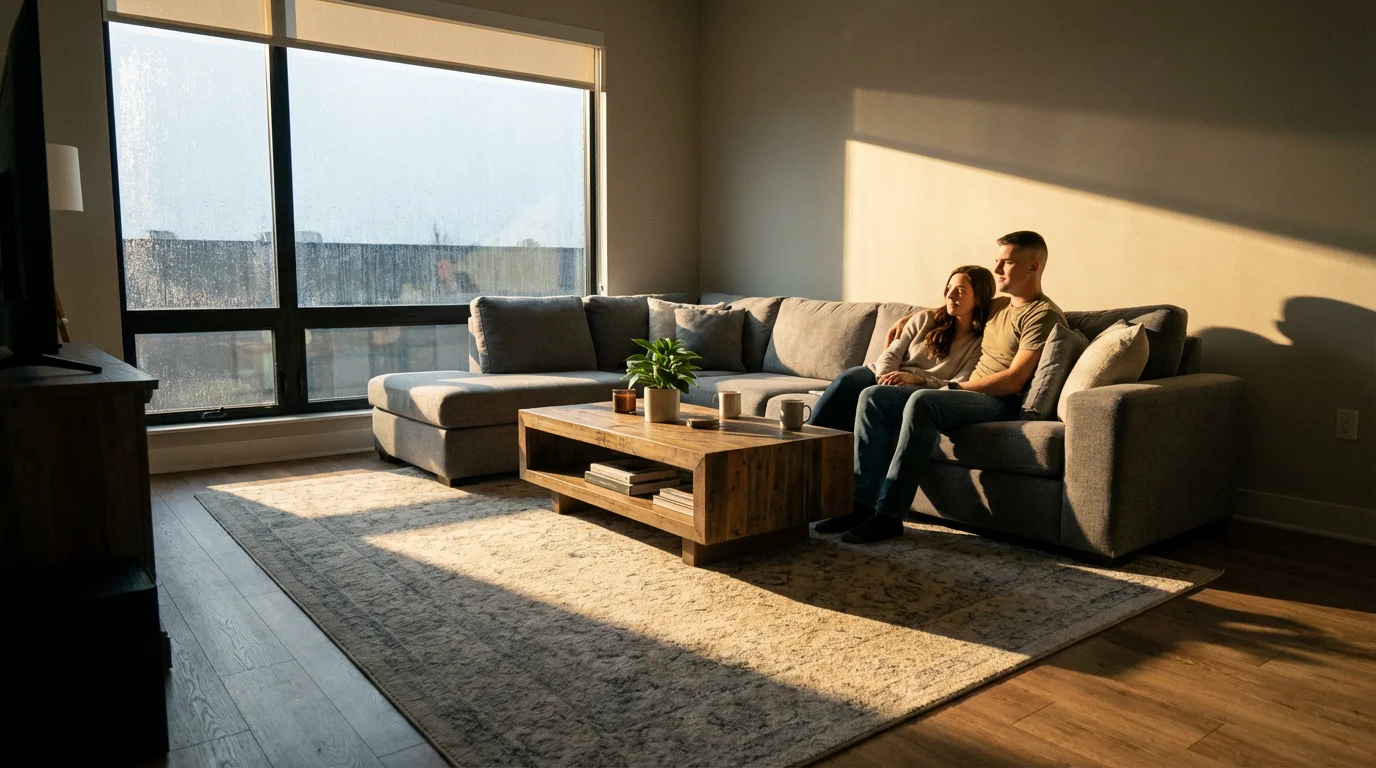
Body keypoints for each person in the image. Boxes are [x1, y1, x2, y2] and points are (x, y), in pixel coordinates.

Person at [818, 230, 1067, 543]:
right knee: (873, 395)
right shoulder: (1000, 305)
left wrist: (955, 389)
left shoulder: (1042, 315)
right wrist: (912, 316)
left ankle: (889, 515)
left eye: (1006, 263)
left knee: (924, 402)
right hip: (970, 391)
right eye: (997, 262)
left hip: (999, 399)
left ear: (1033, 267)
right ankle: (860, 504)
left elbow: (1014, 379)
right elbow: (957, 302)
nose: (998, 270)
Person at [808, 265, 996, 431]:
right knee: (847, 381)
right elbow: (891, 353)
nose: (950, 295)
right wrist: (885, 377)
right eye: (949, 288)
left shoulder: (981, 343)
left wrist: (917, 380)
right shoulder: (925, 319)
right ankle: (806, 444)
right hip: (882, 374)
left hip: (921, 388)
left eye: (961, 291)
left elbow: (958, 383)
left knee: (873, 398)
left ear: (979, 298)